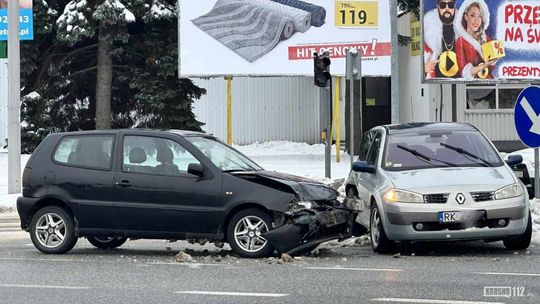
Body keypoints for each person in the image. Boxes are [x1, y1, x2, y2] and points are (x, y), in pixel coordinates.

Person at [455, 0, 496, 79]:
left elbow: (492, 67)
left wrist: (494, 58)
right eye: (472, 16)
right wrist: (484, 65)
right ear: (466, 17)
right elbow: (464, 72)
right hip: (471, 87)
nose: (476, 20)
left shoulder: (485, 38)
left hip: (489, 82)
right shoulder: (460, 41)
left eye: (479, 16)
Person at [423, 0, 460, 79]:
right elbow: (422, 58)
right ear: (438, 7)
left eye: (450, 5)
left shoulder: (463, 28)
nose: (447, 8)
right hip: (436, 79)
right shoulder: (428, 30)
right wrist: (425, 68)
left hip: (460, 79)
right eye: (443, 5)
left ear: (454, 6)